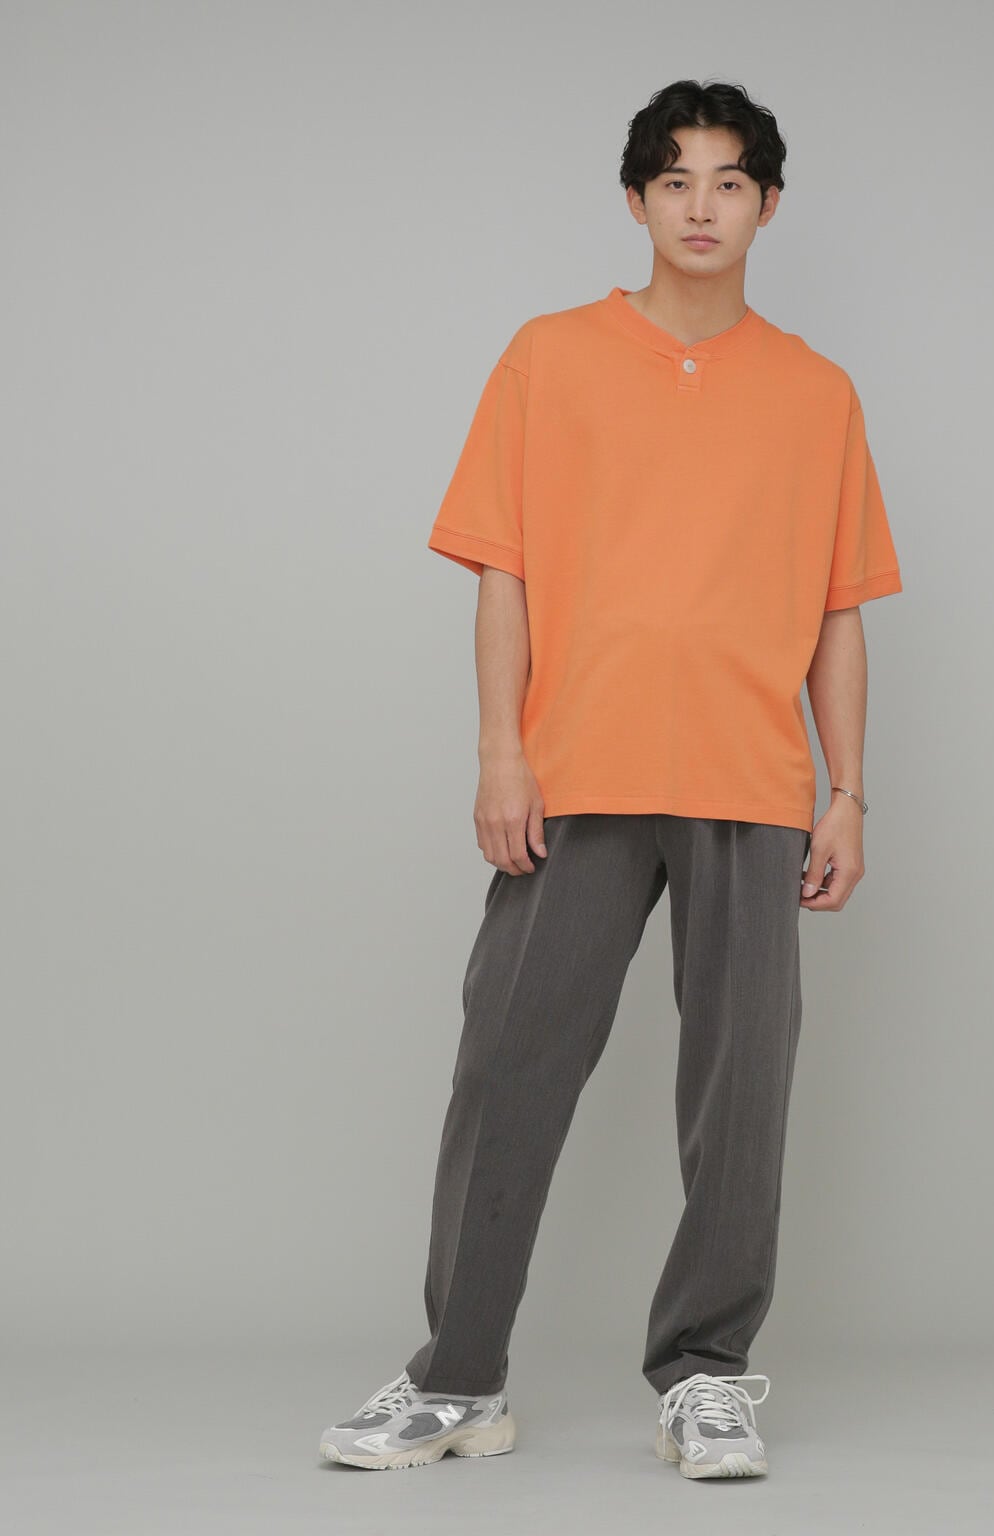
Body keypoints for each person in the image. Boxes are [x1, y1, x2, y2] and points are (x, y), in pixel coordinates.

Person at [319, 77, 902, 1482]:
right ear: (637, 200)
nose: (703, 206)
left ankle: (708, 1375)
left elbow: (839, 610)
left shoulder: (817, 392)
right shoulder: (550, 358)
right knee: (509, 1067)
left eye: (730, 182)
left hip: (752, 780)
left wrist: (847, 791)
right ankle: (458, 1378)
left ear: (768, 206)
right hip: (578, 768)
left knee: (741, 1091)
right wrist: (500, 751)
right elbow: (503, 571)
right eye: (676, 180)